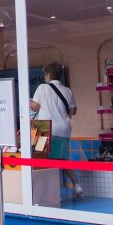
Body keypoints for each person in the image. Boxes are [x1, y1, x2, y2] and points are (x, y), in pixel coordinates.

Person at [30, 62, 83, 198]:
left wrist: (29, 101)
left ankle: (44, 193)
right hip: (64, 128)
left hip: (43, 126)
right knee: (62, 159)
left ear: (48, 74)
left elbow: (35, 107)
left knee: (41, 160)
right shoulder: (67, 90)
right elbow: (73, 110)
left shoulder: (42, 88)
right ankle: (76, 185)